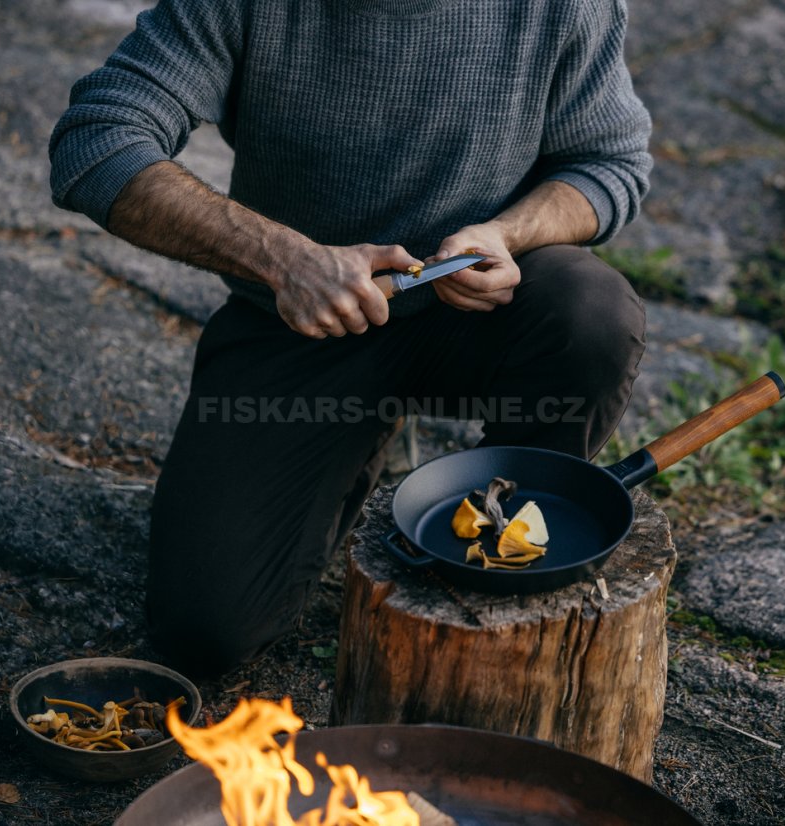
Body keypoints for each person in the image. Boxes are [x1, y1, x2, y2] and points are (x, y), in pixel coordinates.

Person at [49, 0, 651, 676]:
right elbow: (97, 136)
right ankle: (353, 439)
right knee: (204, 633)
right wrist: (284, 259)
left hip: (483, 309)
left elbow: (610, 162)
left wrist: (508, 234)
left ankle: (505, 525)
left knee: (592, 313)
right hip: (301, 322)